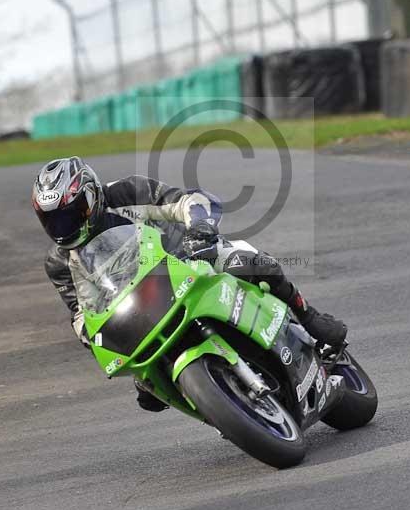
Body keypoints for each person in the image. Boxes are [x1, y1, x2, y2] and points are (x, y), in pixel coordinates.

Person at [32, 156, 347, 411]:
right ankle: (222, 403)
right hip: (137, 305)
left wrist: (200, 228)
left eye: (72, 214)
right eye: (54, 220)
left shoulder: (127, 193)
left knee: (249, 261)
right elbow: (79, 311)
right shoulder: (58, 262)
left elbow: (188, 201)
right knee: (147, 384)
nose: (64, 227)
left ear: (91, 195)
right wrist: (92, 336)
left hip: (190, 259)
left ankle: (307, 316)